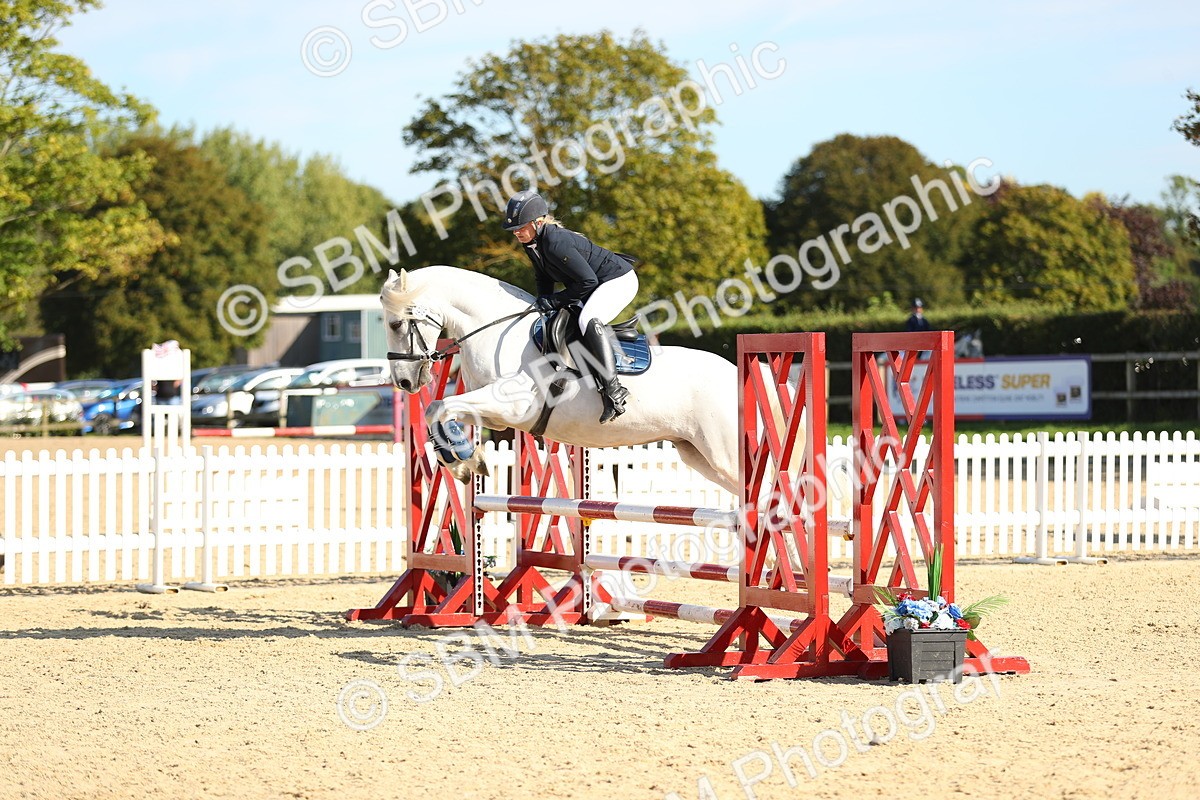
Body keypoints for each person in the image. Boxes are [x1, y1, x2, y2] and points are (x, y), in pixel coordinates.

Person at [502, 190, 638, 424]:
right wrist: (542, 302)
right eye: (514, 229)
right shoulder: (532, 242)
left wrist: (554, 301)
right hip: (593, 284)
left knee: (588, 319)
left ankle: (614, 390)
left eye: (521, 226)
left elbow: (588, 282)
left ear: (539, 221)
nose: (516, 232)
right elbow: (543, 278)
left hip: (618, 281)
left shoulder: (556, 243)